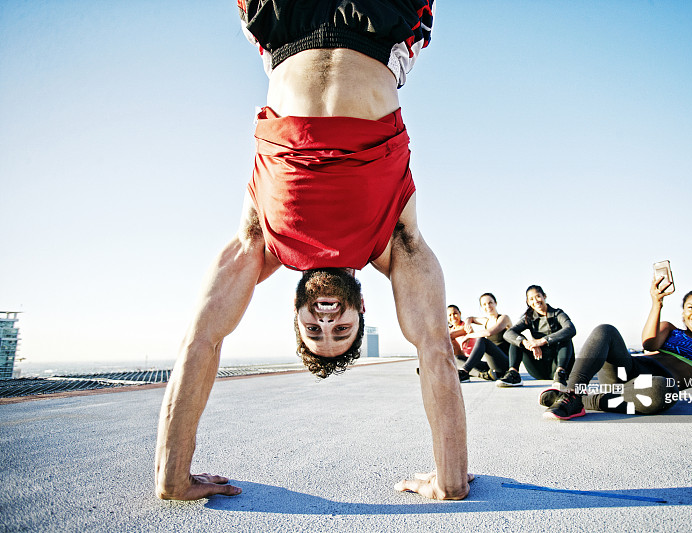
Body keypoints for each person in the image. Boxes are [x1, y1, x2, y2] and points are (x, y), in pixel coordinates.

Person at [155, 0, 471, 502]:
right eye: (340, 330)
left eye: (314, 328)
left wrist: (172, 477)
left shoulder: (262, 245)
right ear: (361, 309)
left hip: (285, 29)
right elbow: (435, 350)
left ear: (298, 311)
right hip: (380, 29)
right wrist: (450, 481)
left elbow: (201, 340)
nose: (327, 318)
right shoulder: (391, 244)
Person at [541, 276, 692, 420]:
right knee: (605, 330)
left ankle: (586, 400)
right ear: (684, 313)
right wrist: (657, 302)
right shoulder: (670, 329)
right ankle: (572, 393)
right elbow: (648, 344)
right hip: (630, 371)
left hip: (654, 387)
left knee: (664, 390)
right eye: (691, 308)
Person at [498, 285, 576, 388]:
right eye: (531, 299)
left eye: (538, 296)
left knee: (565, 336)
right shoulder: (529, 318)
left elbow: (571, 329)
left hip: (560, 365)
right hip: (540, 367)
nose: (536, 301)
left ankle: (560, 373)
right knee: (517, 340)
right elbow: (508, 333)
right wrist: (526, 343)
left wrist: (542, 341)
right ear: (528, 302)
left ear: (544, 296)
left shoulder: (558, 314)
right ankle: (513, 375)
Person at [458, 293, 511, 383]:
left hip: (504, 364)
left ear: (496, 303)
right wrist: (467, 323)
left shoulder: (504, 318)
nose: (488, 306)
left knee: (483, 340)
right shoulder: (486, 321)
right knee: (457, 358)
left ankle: (465, 371)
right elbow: (470, 318)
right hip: (491, 365)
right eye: (484, 304)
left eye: (490, 303)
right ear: (481, 307)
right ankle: (484, 374)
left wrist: (468, 335)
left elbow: (489, 332)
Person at [446, 304, 494, 380]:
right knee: (452, 358)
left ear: (460, 314)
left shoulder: (466, 326)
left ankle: (482, 375)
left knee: (454, 358)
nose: (453, 317)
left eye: (455, 313)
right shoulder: (449, 329)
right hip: (460, 361)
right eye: (450, 315)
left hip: (473, 362)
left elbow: (451, 335)